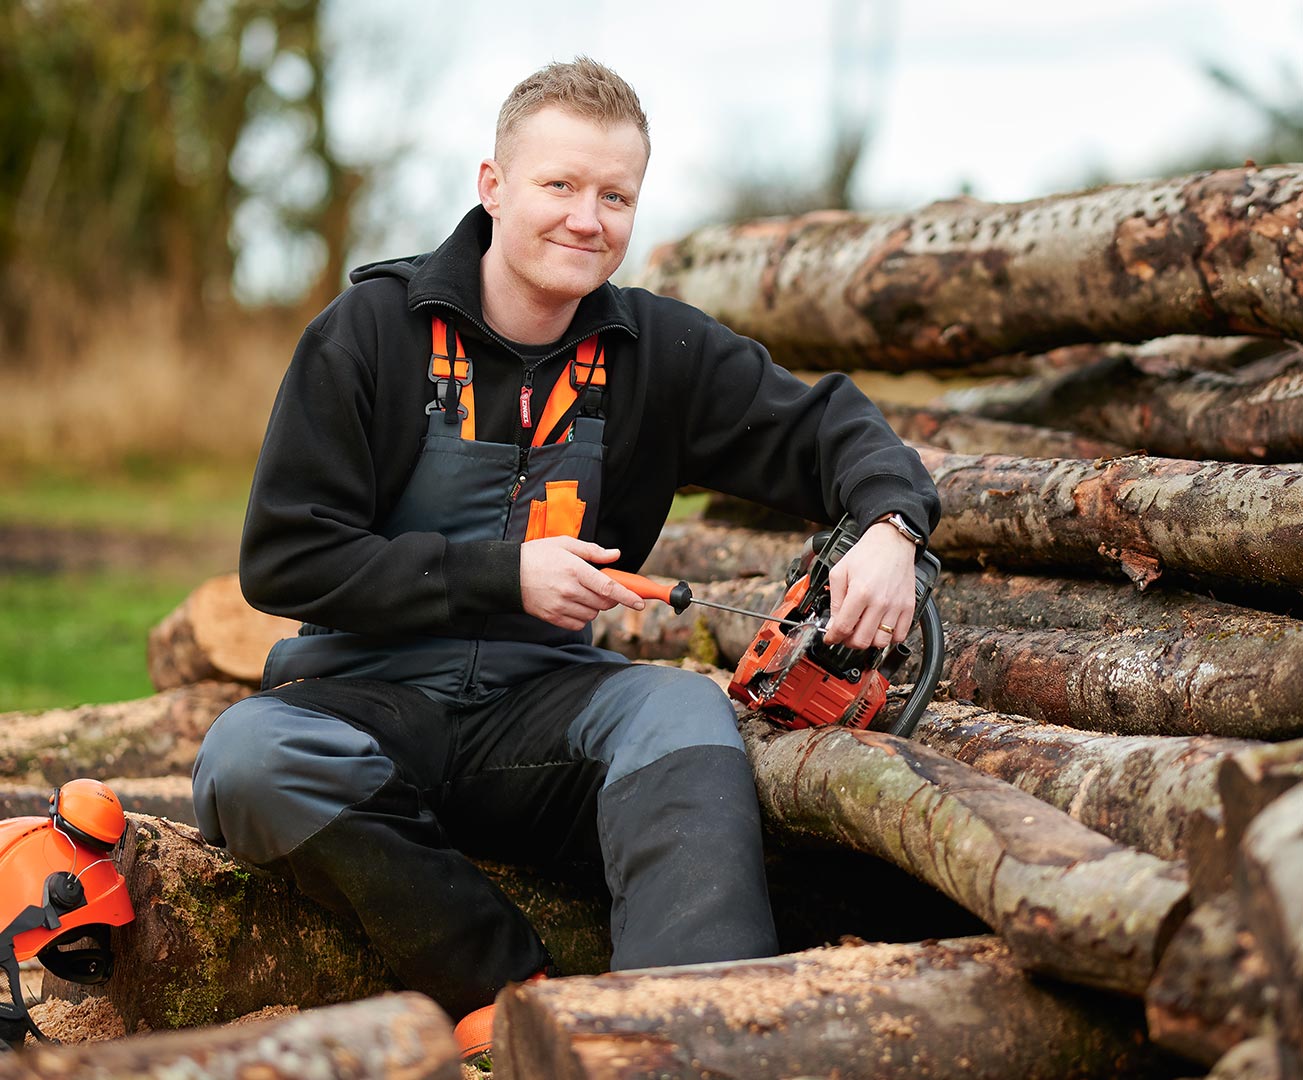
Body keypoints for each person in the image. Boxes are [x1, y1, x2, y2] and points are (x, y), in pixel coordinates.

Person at [192, 56, 940, 1060]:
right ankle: (512, 997)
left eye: (615, 195)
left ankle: (696, 1039)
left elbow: (828, 429)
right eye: (560, 186)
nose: (588, 218)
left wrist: (892, 528)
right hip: (363, 702)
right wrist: (505, 577)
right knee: (245, 759)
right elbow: (286, 560)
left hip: (544, 714)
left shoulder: (655, 353)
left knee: (677, 708)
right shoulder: (368, 333)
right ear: (492, 185)